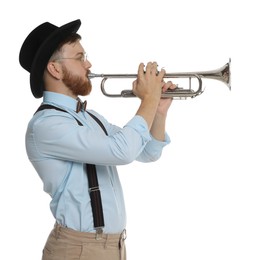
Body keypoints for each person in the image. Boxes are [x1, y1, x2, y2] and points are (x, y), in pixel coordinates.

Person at [19, 19, 176, 260]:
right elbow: (121, 152)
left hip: (112, 247)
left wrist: (158, 111)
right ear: (55, 69)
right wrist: (148, 100)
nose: (89, 64)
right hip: (78, 249)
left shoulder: (90, 117)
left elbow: (146, 152)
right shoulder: (47, 125)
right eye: (80, 57)